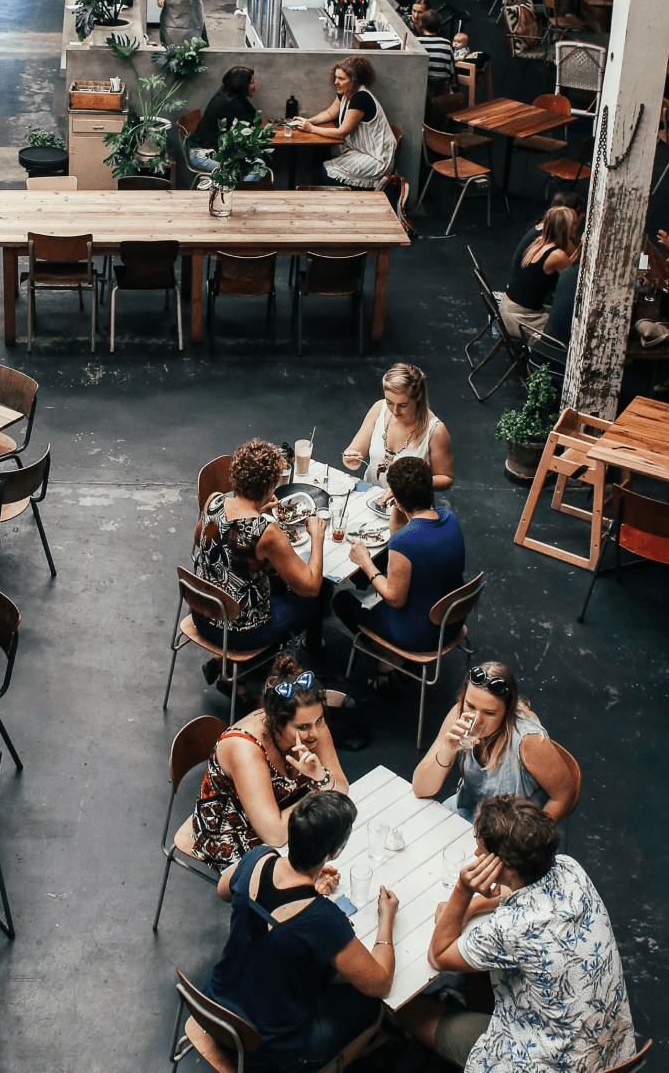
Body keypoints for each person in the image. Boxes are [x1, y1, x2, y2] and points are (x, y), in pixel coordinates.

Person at [398, 796, 637, 1072]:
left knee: (407, 1011)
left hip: (548, 1064)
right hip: (610, 1050)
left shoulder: (510, 928)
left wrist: (463, 891)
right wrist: (475, 907)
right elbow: (521, 892)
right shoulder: (570, 869)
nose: (476, 853)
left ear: (505, 865)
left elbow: (438, 955)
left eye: (480, 849)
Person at [205, 792, 393, 1072]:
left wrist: (305, 885)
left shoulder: (258, 858)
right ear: (335, 851)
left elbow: (224, 891)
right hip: (264, 1050)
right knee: (373, 1010)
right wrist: (387, 918)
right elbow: (380, 983)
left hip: (214, 1013)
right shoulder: (323, 918)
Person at [192, 658, 350, 870]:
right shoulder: (245, 749)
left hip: (284, 812)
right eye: (303, 727)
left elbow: (342, 787)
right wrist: (321, 789)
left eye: (320, 720)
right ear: (276, 723)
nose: (315, 733)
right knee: (308, 875)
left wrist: (322, 779)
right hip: (233, 830)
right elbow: (275, 834)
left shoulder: (312, 723)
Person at [195, 440, 329, 655]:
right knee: (317, 597)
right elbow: (310, 587)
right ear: (269, 487)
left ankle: (229, 666)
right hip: (241, 633)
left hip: (202, 614)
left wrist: (257, 512)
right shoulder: (267, 532)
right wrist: (318, 537)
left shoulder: (214, 501)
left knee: (277, 583)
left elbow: (199, 540)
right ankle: (302, 651)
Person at [411, 661, 576, 823]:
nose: (477, 720)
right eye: (470, 706)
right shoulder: (459, 715)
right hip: (465, 812)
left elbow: (563, 796)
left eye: (489, 713)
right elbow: (420, 789)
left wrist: (530, 837)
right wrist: (447, 750)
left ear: (508, 711)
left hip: (507, 828)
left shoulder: (527, 741)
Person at [333, 456, 465, 651]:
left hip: (419, 636)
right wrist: (398, 503)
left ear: (398, 497)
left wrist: (365, 562)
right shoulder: (449, 517)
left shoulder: (405, 541)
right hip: (453, 621)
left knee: (341, 601)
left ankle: (389, 655)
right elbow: (399, 535)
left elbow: (395, 599)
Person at [344, 362, 453, 491]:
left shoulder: (436, 430)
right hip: (370, 495)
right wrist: (350, 458)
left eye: (403, 405)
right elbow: (354, 451)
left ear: (418, 396)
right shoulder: (378, 408)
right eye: (390, 402)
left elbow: (446, 478)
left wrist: (417, 483)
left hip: (409, 501)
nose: (395, 411)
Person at [291, 56, 395, 190]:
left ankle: (335, 199)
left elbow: (342, 133)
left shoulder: (361, 98)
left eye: (341, 79)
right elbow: (330, 113)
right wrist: (310, 121)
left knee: (326, 170)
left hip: (376, 158)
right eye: (335, 77)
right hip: (361, 151)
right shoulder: (345, 93)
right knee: (320, 154)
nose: (336, 82)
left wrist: (311, 129)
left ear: (354, 81)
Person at [500, 205, 580, 339]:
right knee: (566, 328)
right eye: (573, 224)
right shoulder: (557, 255)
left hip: (507, 307)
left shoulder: (539, 242)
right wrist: (582, 248)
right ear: (564, 228)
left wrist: (581, 247)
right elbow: (572, 280)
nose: (576, 227)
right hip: (520, 318)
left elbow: (566, 264)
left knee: (559, 317)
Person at [187, 65, 265, 180]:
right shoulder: (231, 102)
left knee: (256, 158)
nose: (256, 84)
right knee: (257, 167)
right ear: (242, 85)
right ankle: (241, 191)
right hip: (204, 156)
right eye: (252, 82)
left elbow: (254, 119)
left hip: (208, 151)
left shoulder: (230, 95)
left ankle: (240, 189)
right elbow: (253, 125)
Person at [413, 9, 456, 90]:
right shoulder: (446, 44)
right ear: (439, 26)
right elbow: (451, 72)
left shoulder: (416, 42)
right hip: (441, 92)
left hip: (419, 91)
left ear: (421, 24)